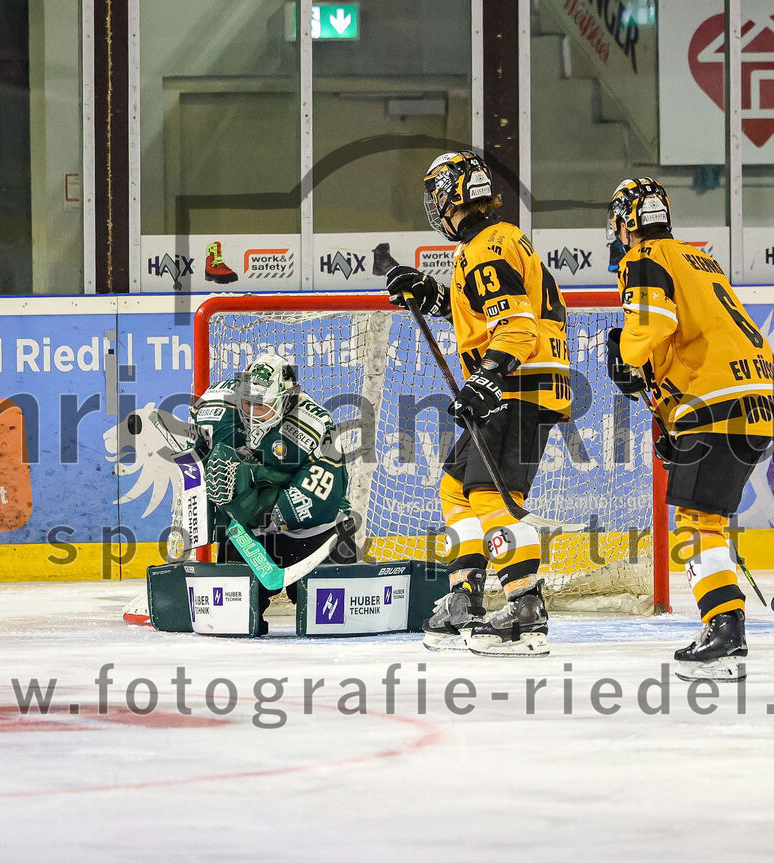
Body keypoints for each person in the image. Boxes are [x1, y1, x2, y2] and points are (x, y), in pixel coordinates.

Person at [385, 150, 571, 656]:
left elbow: (516, 326)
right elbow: (490, 313)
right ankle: (465, 598)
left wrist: (488, 377)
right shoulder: (492, 243)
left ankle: (525, 606)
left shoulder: (489, 247)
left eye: (437, 197)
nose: (435, 207)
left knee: (492, 497)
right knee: (455, 488)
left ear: (452, 196)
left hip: (516, 388)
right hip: (517, 384)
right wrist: (434, 295)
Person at [604, 177, 774, 681]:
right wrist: (669, 415)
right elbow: (691, 336)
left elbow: (652, 329)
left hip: (716, 402)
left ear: (627, 222)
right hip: (756, 400)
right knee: (705, 521)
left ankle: (724, 629)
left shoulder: (644, 258)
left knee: (694, 524)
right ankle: (727, 627)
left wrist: (622, 353)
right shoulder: (698, 258)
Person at [190, 352, 357, 629]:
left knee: (331, 623)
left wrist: (249, 494)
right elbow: (200, 463)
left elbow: (319, 502)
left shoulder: (316, 426)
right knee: (233, 623)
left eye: (263, 406)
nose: (252, 414)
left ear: (286, 400)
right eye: (247, 403)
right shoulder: (216, 407)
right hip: (248, 535)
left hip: (315, 533)